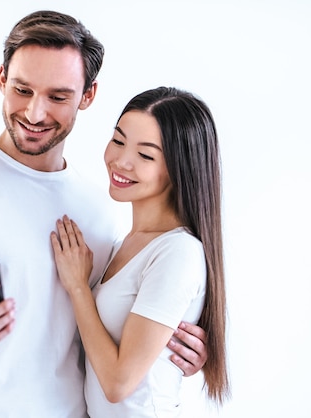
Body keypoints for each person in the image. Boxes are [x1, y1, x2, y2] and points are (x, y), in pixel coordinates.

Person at [0, 11, 208, 417]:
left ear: (88, 96)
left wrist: (175, 351)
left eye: (58, 97)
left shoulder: (102, 207)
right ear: (2, 78)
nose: (36, 113)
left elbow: (110, 327)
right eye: (22, 89)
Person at [51, 86, 230, 417]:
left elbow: (119, 384)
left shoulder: (178, 252)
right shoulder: (126, 243)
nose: (121, 161)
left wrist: (78, 287)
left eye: (146, 155)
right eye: (118, 141)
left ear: (180, 169)